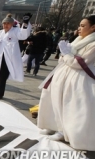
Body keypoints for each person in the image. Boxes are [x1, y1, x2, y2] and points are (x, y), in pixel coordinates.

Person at [38, 15, 95, 151]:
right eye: (79, 25)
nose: (79, 28)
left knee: (70, 105)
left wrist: (67, 54)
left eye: (83, 26)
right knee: (54, 101)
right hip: (63, 76)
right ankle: (54, 126)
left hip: (80, 79)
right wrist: (64, 54)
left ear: (93, 27)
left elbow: (81, 63)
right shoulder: (78, 40)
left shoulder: (93, 44)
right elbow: (65, 59)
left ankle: (66, 132)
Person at [0, 13, 32, 100]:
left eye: (8, 23)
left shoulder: (16, 31)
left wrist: (25, 23)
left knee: (2, 76)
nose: (6, 25)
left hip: (8, 58)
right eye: (4, 23)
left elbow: (24, 35)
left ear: (12, 24)